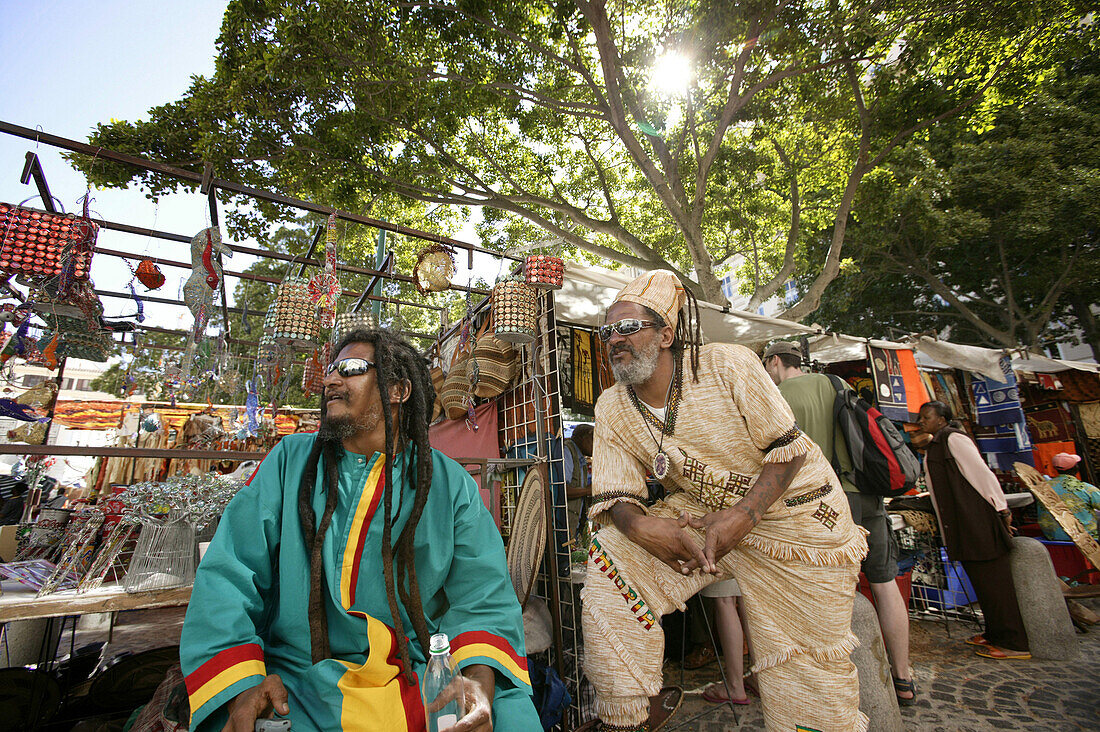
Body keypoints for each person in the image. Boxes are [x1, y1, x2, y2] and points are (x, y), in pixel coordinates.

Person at [180, 329, 539, 732]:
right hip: (299, 678)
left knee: (508, 715)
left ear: (398, 390)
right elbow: (228, 576)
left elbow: (484, 599)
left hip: (420, 675)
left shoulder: (450, 484)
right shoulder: (290, 462)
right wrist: (241, 686)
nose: (331, 379)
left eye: (350, 369)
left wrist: (477, 685)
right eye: (331, 370)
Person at [579, 270, 868, 732]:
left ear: (667, 334)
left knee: (805, 669)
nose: (615, 339)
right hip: (706, 522)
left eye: (629, 327)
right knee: (613, 560)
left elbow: (786, 450)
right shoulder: (611, 406)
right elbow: (615, 493)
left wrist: (746, 514)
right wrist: (639, 527)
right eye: (608, 331)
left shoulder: (727, 364)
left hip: (798, 524)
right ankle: (628, 718)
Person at [763, 341, 916, 705]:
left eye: (765, 364)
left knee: (827, 592)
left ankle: (836, 684)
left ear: (774, 362)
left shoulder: (779, 397)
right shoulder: (836, 384)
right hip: (866, 494)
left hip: (822, 506)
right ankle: (903, 677)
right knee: (884, 582)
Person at [917, 400, 1031, 661]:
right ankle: (994, 633)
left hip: (977, 521)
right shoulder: (937, 442)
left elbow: (981, 474)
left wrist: (1001, 507)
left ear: (942, 419)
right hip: (964, 524)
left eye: (927, 417)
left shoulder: (954, 439)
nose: (922, 421)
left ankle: (1015, 642)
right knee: (983, 583)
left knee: (996, 584)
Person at [1037, 452, 1100, 542]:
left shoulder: (1042, 488)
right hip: (1085, 537)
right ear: (1076, 468)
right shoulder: (1084, 488)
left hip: (1053, 536)